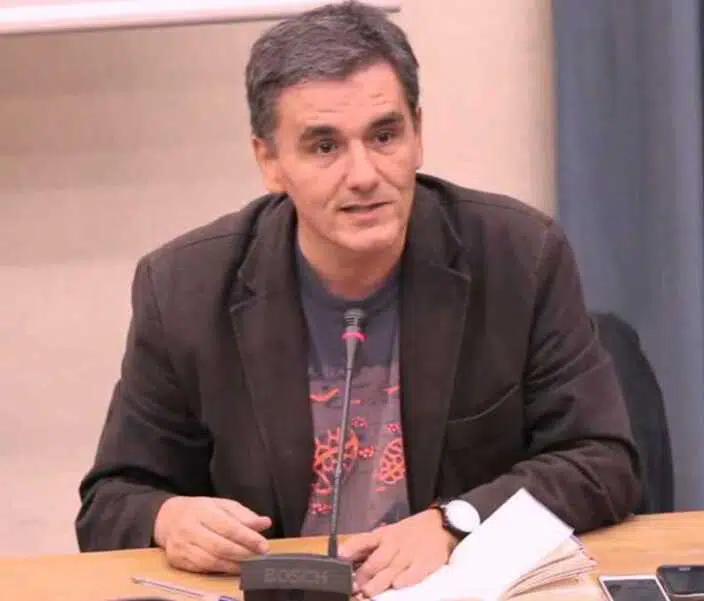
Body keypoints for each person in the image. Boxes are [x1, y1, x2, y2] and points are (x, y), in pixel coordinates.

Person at [74, 0, 641, 597]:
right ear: (269, 161)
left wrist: (456, 522)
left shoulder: (518, 256)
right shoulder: (184, 289)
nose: (364, 174)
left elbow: (601, 460)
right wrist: (169, 519)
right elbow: (111, 502)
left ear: (418, 135)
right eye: (324, 147)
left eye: (385, 135)